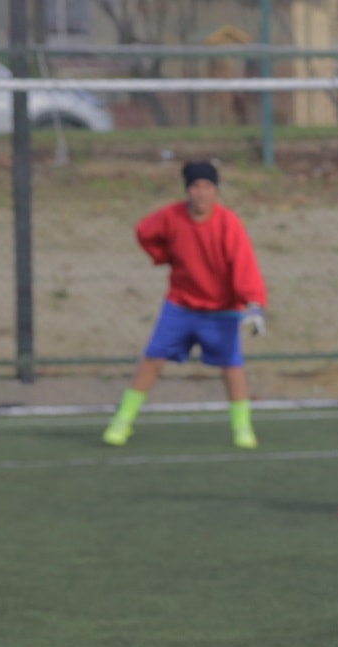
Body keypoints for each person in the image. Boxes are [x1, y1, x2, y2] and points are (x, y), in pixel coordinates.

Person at [102, 160, 266, 450]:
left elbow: (244, 266)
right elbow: (144, 232)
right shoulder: (172, 217)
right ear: (187, 190)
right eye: (195, 187)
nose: (201, 193)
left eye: (207, 187)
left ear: (216, 191)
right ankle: (122, 421)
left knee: (232, 365)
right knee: (153, 358)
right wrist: (163, 255)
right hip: (180, 305)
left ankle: (242, 427)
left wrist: (253, 303)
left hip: (221, 310)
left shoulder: (228, 224)